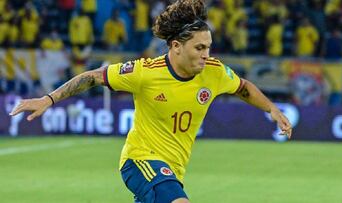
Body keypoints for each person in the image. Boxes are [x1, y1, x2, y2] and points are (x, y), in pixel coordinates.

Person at [9, 1, 292, 203]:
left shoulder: (214, 72)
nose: (206, 54)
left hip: (174, 169)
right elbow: (94, 77)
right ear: (176, 47)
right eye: (199, 48)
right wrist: (49, 99)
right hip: (140, 161)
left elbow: (243, 87)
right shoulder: (144, 72)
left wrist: (272, 109)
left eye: (208, 47)